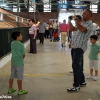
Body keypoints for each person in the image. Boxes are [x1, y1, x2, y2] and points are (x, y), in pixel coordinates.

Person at [67, 9, 93, 92]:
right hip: (75, 47)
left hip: (79, 48)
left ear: (89, 15)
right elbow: (73, 29)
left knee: (76, 66)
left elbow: (82, 29)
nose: (82, 15)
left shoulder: (90, 25)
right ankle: (82, 81)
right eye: (82, 13)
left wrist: (76, 20)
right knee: (79, 66)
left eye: (84, 13)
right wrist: (69, 21)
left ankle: (76, 85)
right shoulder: (83, 23)